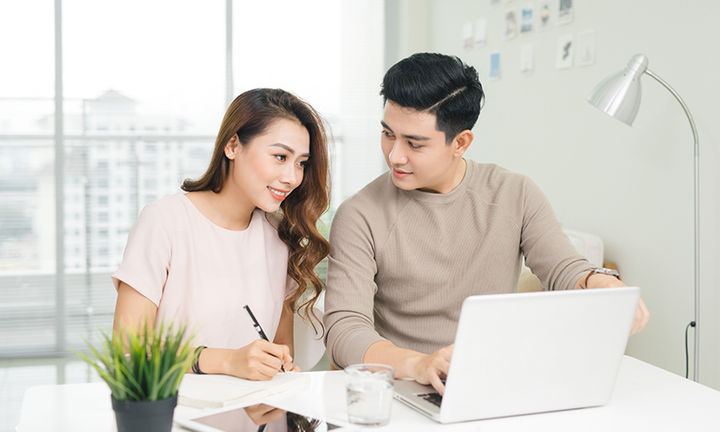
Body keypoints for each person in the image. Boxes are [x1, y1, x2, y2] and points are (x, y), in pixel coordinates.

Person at [323, 53, 649, 395]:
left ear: (460, 142)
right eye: (388, 134)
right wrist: (419, 364)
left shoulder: (514, 193)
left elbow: (565, 269)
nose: (394, 155)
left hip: (496, 384)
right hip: (403, 390)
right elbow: (345, 330)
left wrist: (603, 284)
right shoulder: (360, 214)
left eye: (414, 143)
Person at [112, 88, 330, 381]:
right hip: (183, 418)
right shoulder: (164, 222)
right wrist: (226, 360)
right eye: (280, 156)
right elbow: (128, 351)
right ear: (232, 146)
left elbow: (280, 354)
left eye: (301, 163)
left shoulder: (280, 237)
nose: (292, 177)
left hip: (261, 420)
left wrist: (280, 374)